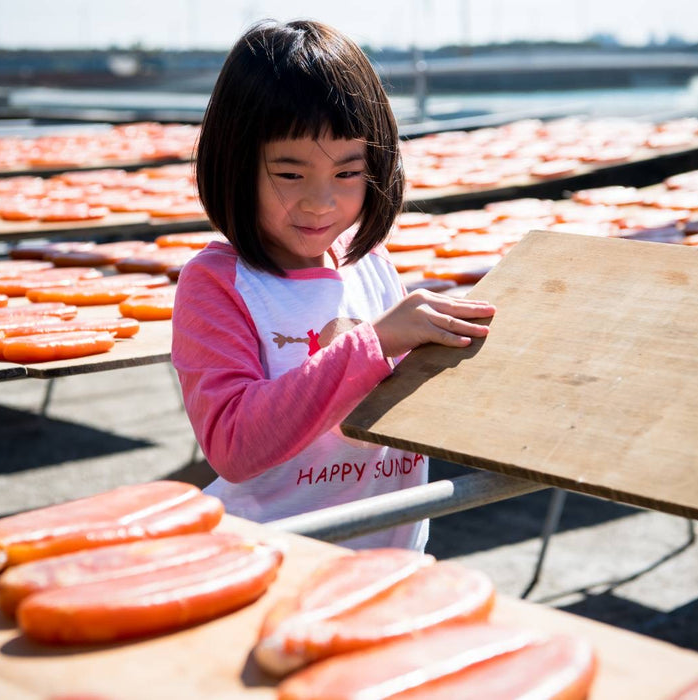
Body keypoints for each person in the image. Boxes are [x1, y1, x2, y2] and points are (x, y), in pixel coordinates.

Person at [171, 19, 495, 551]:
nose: (320, 203)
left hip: (390, 554)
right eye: (290, 174)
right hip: (274, 555)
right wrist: (377, 342)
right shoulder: (216, 285)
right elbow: (233, 444)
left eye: (347, 173)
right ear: (234, 164)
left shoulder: (369, 263)